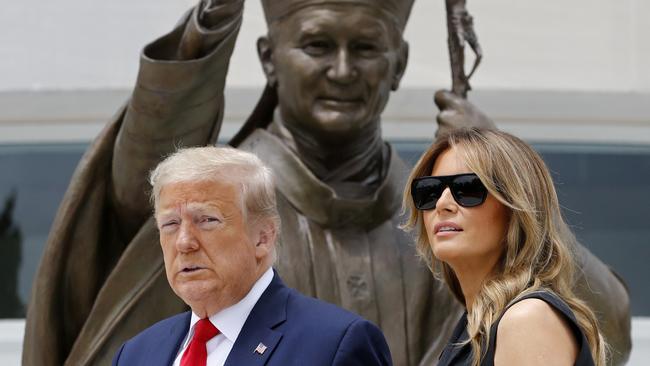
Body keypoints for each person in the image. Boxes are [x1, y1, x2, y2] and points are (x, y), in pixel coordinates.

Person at [23, 0, 631, 365]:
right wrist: (208, 28)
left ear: (396, 66)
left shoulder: (439, 227)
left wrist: (496, 170)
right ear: (269, 57)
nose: (342, 71)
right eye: (317, 45)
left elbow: (608, 330)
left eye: (366, 48)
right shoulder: (226, 196)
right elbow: (134, 187)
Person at [111, 146, 392, 366]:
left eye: (207, 220)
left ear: (263, 237)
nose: (184, 242)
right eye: (170, 224)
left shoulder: (335, 345)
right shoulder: (135, 354)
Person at [402, 128, 609, 365]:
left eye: (467, 188)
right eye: (429, 191)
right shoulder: (476, 328)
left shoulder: (527, 320)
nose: (442, 204)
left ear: (514, 208)